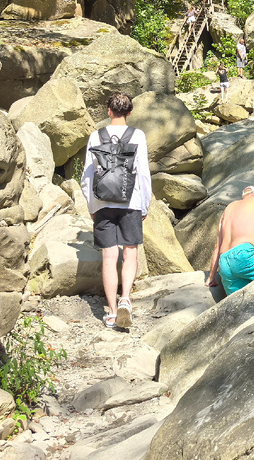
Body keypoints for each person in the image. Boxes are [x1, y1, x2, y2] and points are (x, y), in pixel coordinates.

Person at [80, 92, 152, 329]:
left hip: (102, 203)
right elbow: (142, 173)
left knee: (109, 257)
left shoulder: (96, 136)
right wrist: (145, 204)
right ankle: (126, 300)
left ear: (108, 111)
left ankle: (111, 313)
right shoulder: (137, 135)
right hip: (130, 201)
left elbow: (88, 175)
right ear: (129, 112)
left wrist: (92, 205)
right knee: (130, 252)